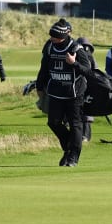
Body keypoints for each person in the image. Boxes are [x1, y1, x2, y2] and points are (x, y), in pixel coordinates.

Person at [36, 18, 91, 166]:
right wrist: (39, 87)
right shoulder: (49, 47)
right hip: (55, 93)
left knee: (75, 125)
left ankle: (73, 156)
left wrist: (74, 63)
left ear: (63, 36)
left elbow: (88, 71)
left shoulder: (76, 49)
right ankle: (68, 146)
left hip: (75, 94)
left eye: (54, 36)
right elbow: (44, 69)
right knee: (53, 122)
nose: (51, 38)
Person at [75, 36, 97, 143]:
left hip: (81, 88)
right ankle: (84, 136)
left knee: (83, 113)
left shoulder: (79, 56)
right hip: (86, 88)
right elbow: (95, 72)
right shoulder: (91, 57)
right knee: (85, 113)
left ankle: (84, 136)